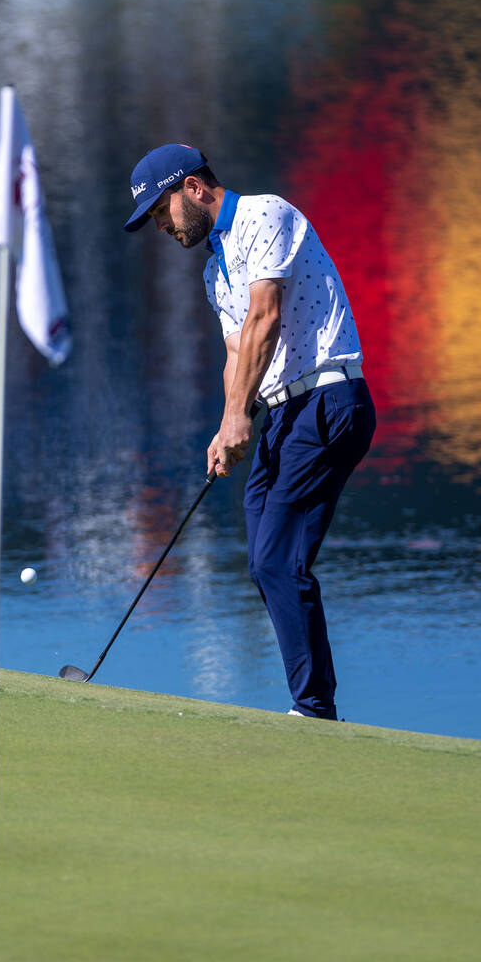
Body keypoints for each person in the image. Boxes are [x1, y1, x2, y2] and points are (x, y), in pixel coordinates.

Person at [124, 144, 376, 720]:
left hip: (328, 399)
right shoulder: (216, 270)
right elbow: (238, 351)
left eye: (160, 211)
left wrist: (241, 417)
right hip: (286, 413)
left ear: (191, 187)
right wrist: (226, 425)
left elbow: (266, 315)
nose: (160, 225)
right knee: (266, 559)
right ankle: (316, 705)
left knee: (277, 559)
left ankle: (313, 709)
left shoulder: (265, 214)